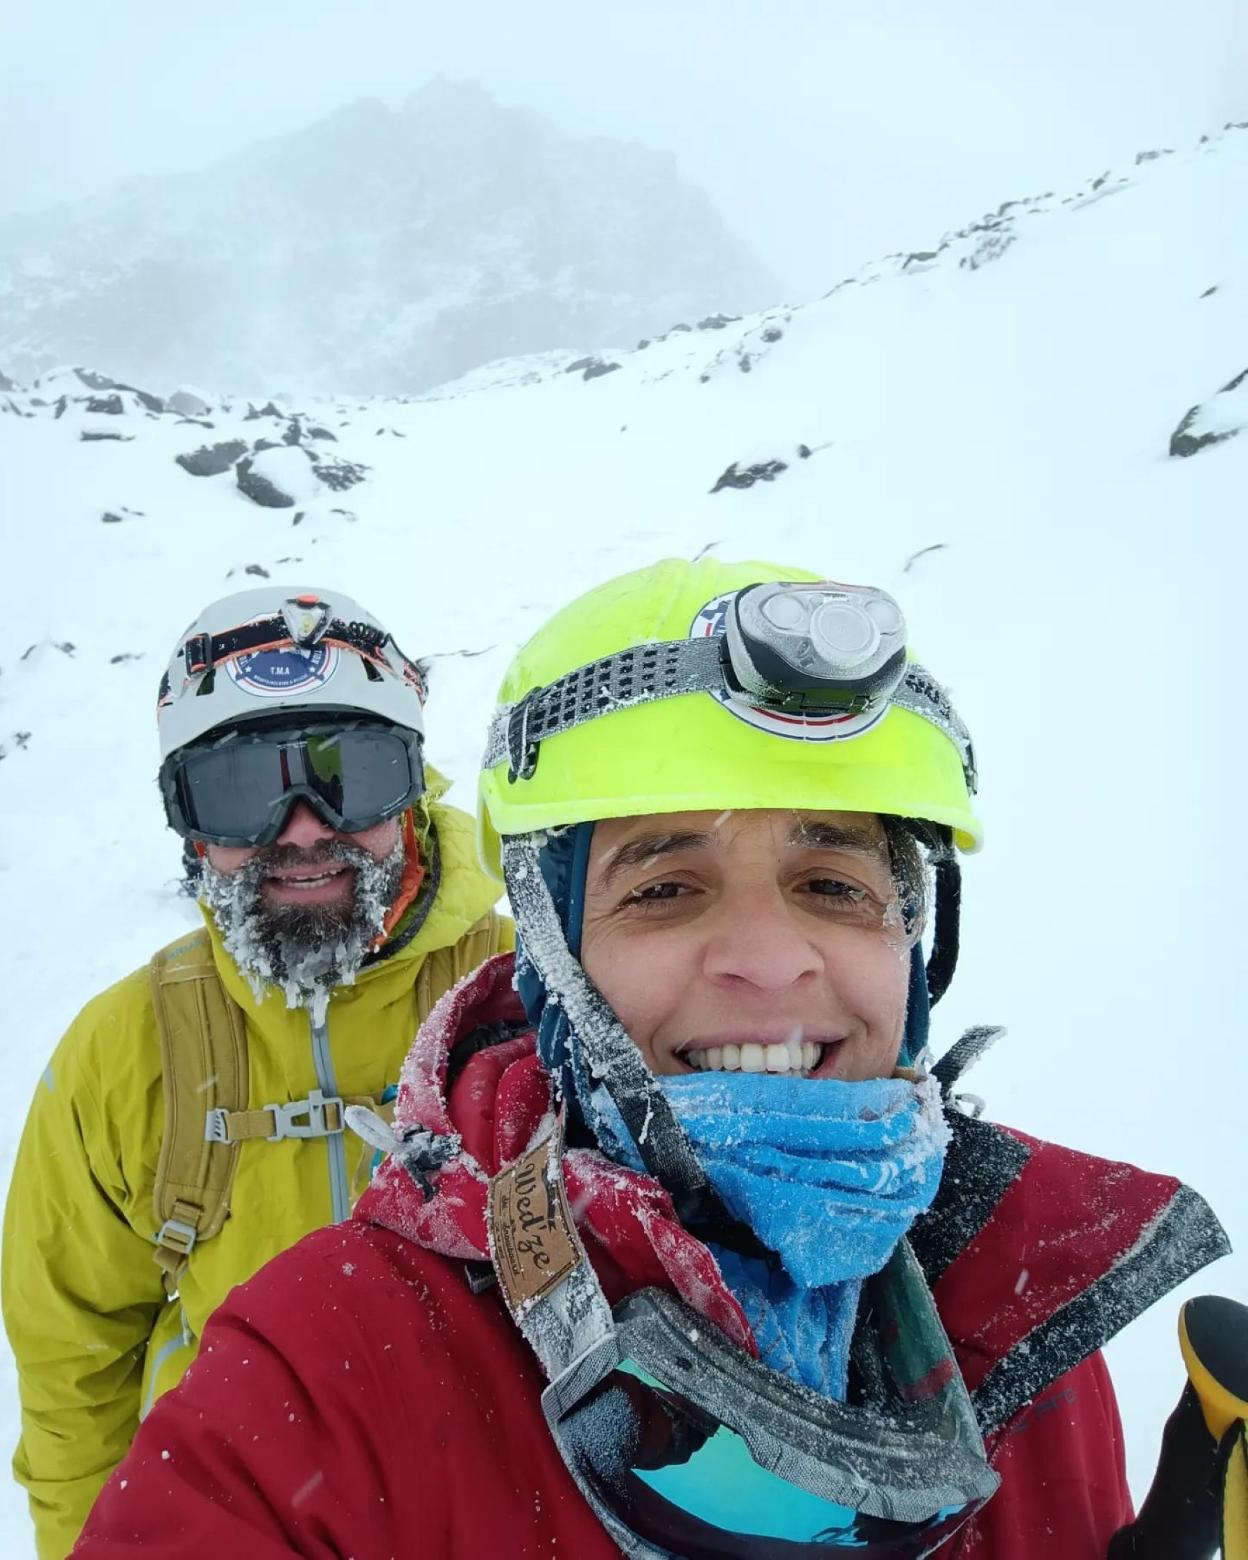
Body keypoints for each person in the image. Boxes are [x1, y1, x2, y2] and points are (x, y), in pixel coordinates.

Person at [72, 559, 1229, 1558]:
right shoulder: (318, 1379)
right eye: (664, 888)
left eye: (835, 884)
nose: (772, 962)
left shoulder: (1012, 1320)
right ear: (550, 966)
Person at [3, 585, 512, 1559]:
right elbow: (74, 1374)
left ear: (411, 791)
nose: (304, 829)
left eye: (349, 774)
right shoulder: (124, 1053)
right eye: (245, 789)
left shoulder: (527, 996)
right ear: (187, 823)